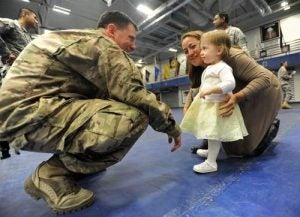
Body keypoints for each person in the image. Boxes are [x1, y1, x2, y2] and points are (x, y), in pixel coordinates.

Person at [0, 11, 181, 213]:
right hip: (26, 115)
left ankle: (74, 166)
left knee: (107, 104)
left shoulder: (78, 39)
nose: (134, 46)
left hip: (19, 114)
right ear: (111, 30)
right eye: (130, 37)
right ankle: (52, 175)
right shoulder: (103, 44)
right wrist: (172, 128)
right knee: (135, 117)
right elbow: (135, 93)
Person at [181, 30, 281, 158]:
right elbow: (195, 89)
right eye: (185, 51)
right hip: (237, 92)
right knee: (230, 145)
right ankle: (209, 139)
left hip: (266, 91)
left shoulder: (232, 56)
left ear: (205, 43)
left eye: (193, 46)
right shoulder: (200, 66)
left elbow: (263, 79)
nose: (190, 53)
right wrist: (187, 107)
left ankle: (271, 126)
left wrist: (237, 97)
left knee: (243, 151)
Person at [180, 30, 248, 173]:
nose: (202, 52)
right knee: (210, 132)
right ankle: (211, 152)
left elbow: (230, 84)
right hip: (210, 105)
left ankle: (211, 162)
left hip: (219, 106)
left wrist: (211, 90)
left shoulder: (223, 67)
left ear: (219, 50)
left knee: (213, 133)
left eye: (204, 48)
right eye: (185, 50)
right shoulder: (210, 67)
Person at [0, 7, 39, 159]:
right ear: (24, 14)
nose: (36, 21)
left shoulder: (27, 36)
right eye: (34, 17)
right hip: (13, 74)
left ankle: (11, 142)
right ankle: (4, 147)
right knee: (6, 108)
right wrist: (6, 53)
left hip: (26, 77)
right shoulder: (10, 24)